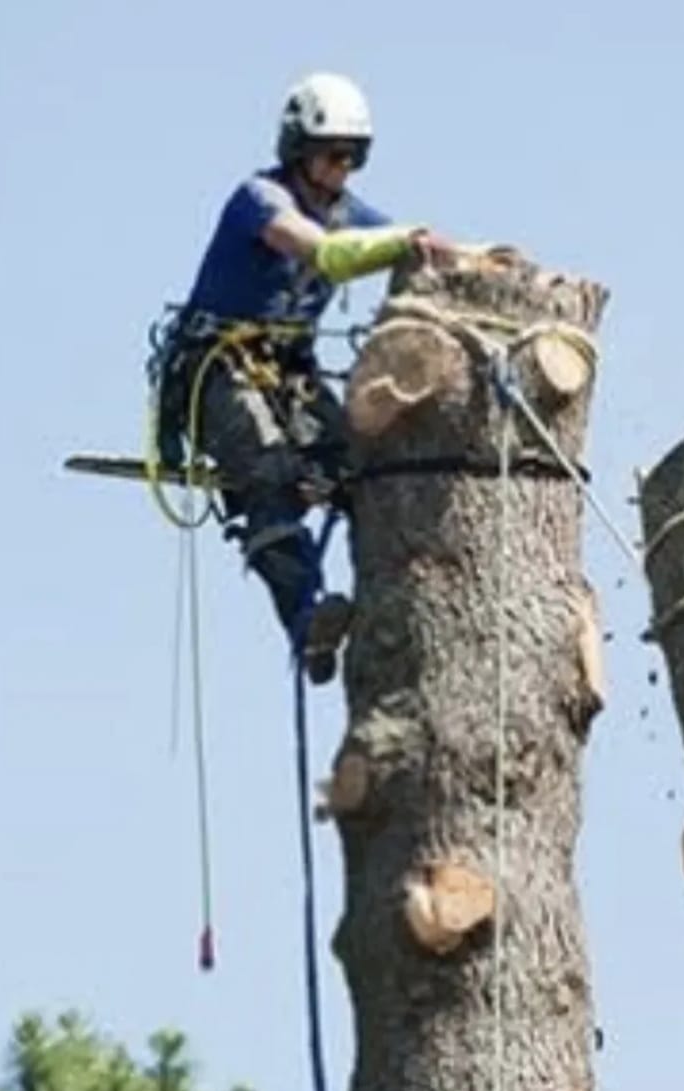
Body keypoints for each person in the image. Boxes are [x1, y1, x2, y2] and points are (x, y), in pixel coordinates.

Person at [154, 71, 445, 684]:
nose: (344, 169)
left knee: (364, 470)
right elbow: (329, 254)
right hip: (219, 369)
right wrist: (400, 241)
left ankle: (395, 605)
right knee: (272, 476)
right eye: (333, 154)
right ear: (298, 150)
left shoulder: (348, 211)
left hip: (292, 373)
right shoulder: (259, 200)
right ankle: (307, 621)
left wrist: (462, 255)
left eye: (354, 156)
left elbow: (408, 245)